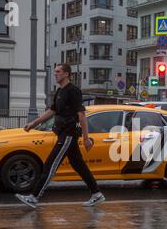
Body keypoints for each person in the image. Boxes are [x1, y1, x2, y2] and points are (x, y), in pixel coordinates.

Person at [15, 63, 105, 209]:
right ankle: (97, 194)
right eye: (55, 71)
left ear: (67, 74)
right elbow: (51, 111)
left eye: (58, 72)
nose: (55, 74)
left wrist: (86, 137)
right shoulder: (59, 91)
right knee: (79, 166)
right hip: (62, 133)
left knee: (50, 164)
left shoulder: (73, 91)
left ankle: (34, 197)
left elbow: (81, 115)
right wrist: (33, 124)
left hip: (68, 134)